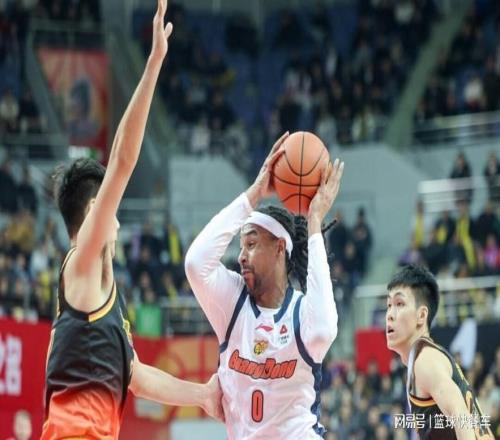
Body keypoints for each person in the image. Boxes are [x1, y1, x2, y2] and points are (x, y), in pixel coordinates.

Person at [42, 2, 222, 439]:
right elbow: (122, 161)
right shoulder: (83, 263)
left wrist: (202, 395)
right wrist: (155, 61)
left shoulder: (99, 297)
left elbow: (137, 377)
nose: (119, 224)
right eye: (111, 211)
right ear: (93, 212)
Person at [185, 132, 345, 439]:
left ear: (279, 248)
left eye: (251, 244)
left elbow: (324, 330)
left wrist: (314, 221)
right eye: (241, 246)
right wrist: (253, 195)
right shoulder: (233, 303)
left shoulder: (302, 313)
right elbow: (195, 263)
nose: (241, 256)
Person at [385, 265, 494, 439]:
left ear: (421, 316)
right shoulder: (425, 357)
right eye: (389, 305)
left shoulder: (425, 360)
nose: (390, 314)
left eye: (399, 304)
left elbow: (460, 414)